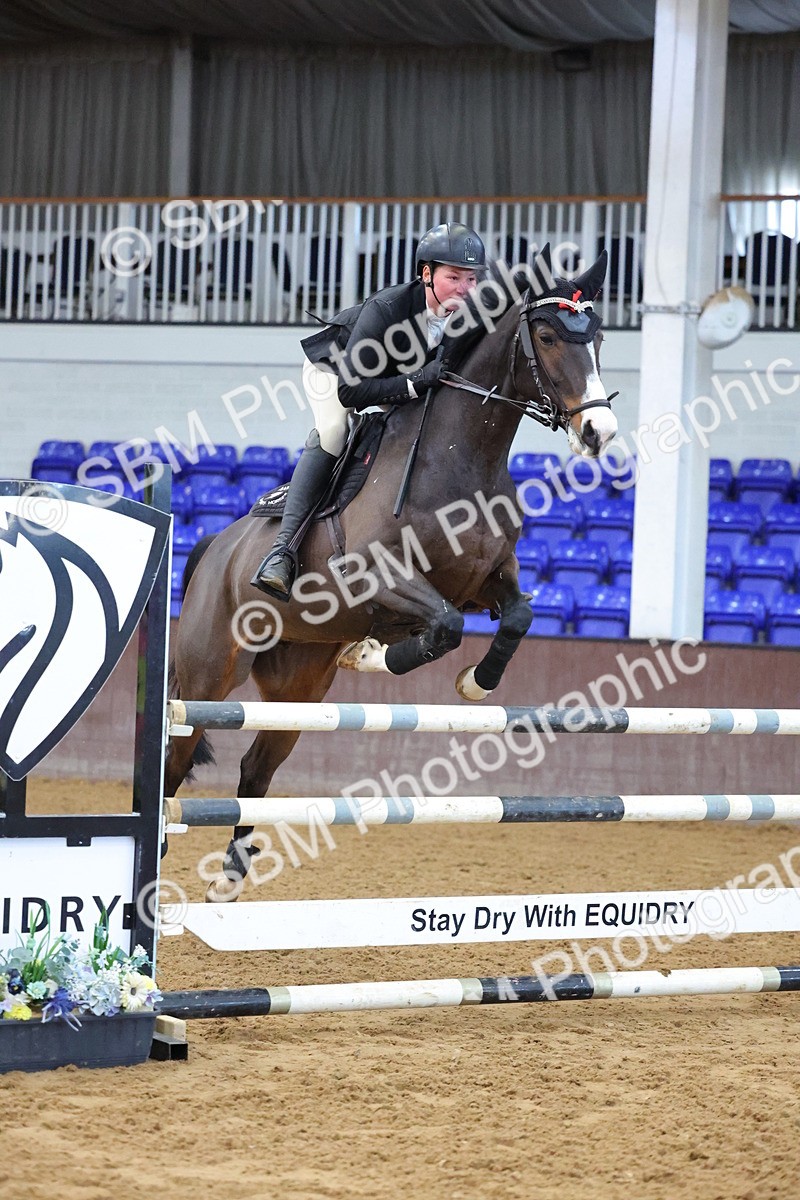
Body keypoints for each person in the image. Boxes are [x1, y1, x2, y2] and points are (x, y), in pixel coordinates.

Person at [251, 222, 486, 599]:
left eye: (472, 279)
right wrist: (412, 383)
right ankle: (283, 552)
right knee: (334, 432)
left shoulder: (469, 317)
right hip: (335, 371)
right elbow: (350, 391)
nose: (465, 289)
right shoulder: (387, 309)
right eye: (454, 277)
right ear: (426, 274)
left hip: (392, 378)